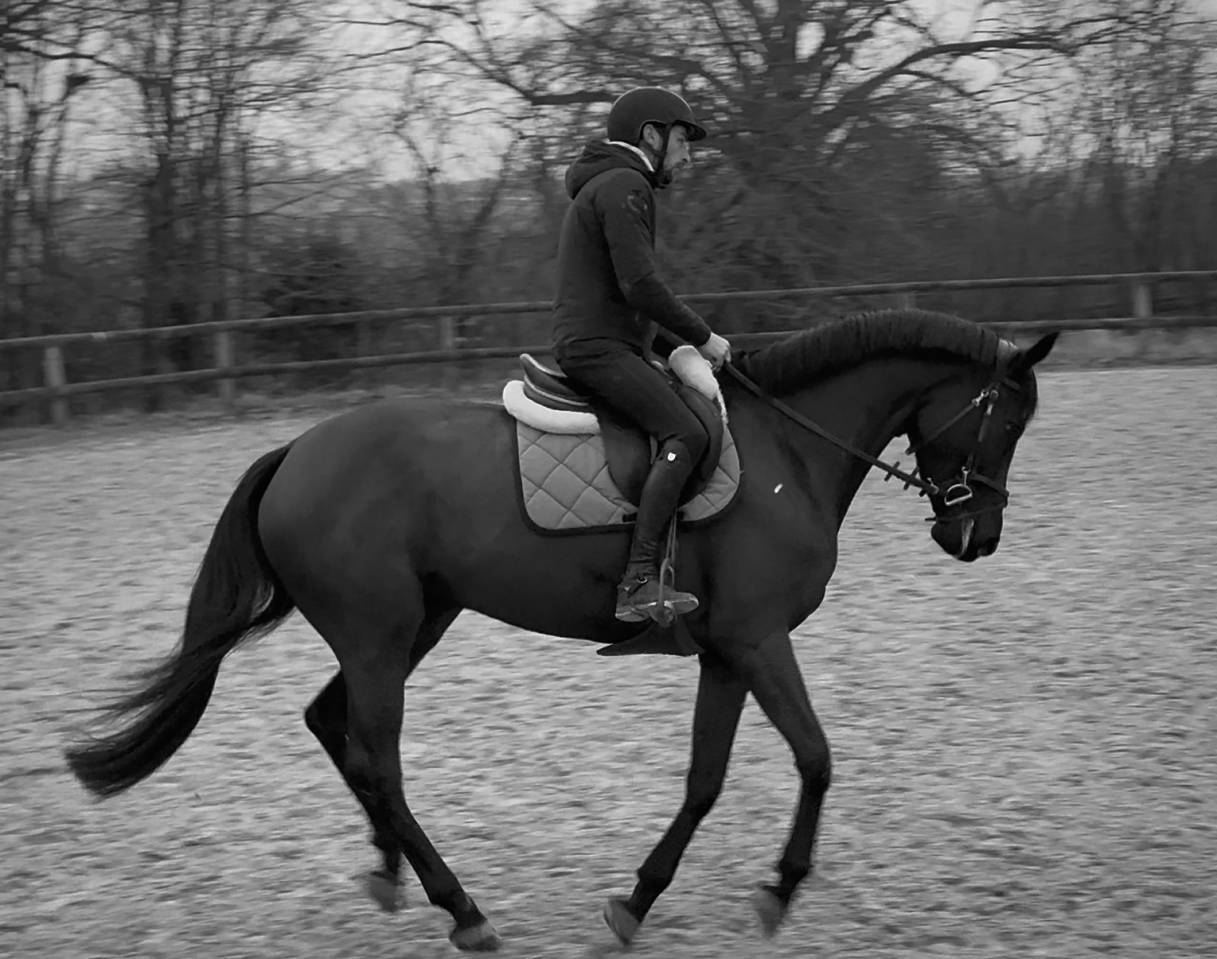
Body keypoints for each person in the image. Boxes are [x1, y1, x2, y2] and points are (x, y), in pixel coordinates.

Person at [551, 86, 732, 624]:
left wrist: (675, 344)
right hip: (599, 348)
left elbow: (631, 299)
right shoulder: (628, 184)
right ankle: (638, 579)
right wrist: (703, 337)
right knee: (689, 433)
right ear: (650, 135)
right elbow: (641, 287)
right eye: (682, 139)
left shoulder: (608, 184)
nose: (688, 154)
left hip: (604, 341)